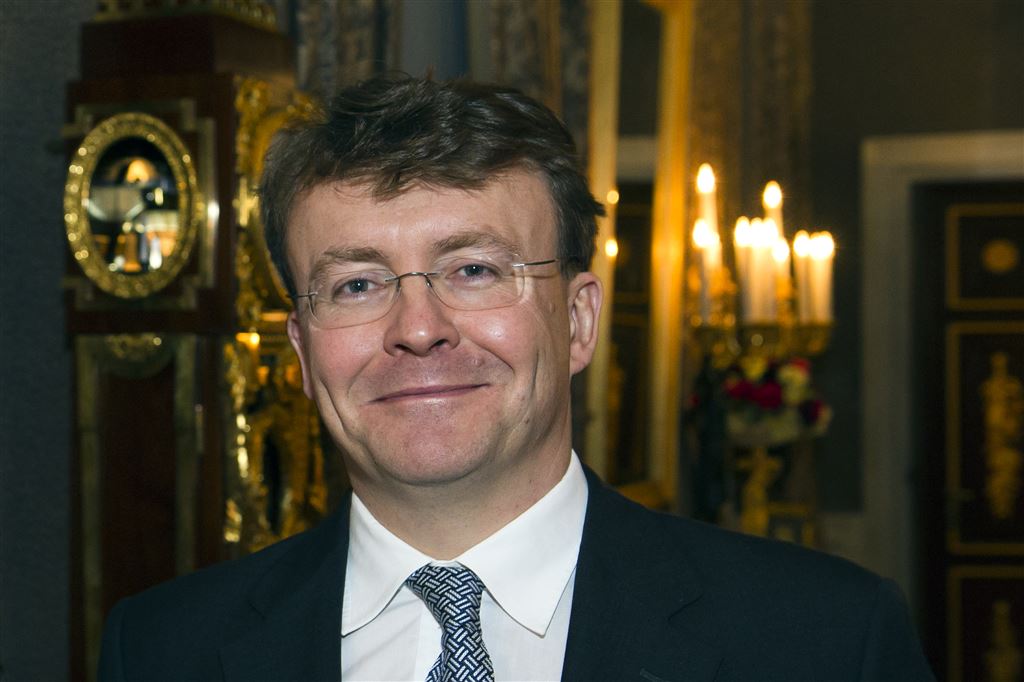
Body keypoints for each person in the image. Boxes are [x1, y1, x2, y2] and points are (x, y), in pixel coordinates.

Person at [98, 75, 934, 681]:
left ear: (578, 321)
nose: (417, 328)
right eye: (356, 285)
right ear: (303, 351)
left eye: (473, 271)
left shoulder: (823, 641)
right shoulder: (166, 650)